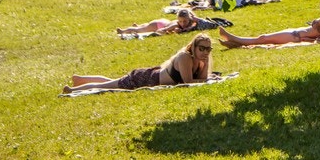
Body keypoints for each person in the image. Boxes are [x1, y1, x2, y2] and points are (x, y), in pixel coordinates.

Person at [63, 34, 215, 93]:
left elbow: (202, 79)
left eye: (208, 49)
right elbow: (188, 82)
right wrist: (207, 79)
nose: (205, 52)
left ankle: (80, 79)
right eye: (201, 48)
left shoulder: (201, 60)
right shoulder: (185, 57)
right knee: (107, 86)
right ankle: (71, 89)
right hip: (145, 78)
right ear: (193, 47)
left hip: (152, 76)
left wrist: (206, 63)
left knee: (114, 82)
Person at [217, 0, 320, 48]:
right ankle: (235, 43)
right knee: (264, 39)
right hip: (296, 33)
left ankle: (233, 38)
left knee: (263, 38)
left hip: (295, 36)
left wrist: (314, 38)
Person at [117, 8, 225, 37]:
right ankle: (124, 31)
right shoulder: (176, 24)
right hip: (159, 24)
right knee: (140, 30)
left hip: (163, 21)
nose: (182, 23)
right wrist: (166, 31)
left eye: (185, 21)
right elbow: (163, 30)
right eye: (181, 21)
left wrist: (195, 18)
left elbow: (207, 24)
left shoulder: (192, 23)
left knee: (145, 27)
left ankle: (139, 25)